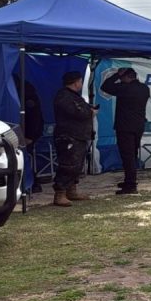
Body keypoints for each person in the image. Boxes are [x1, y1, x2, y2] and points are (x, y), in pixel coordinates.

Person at [100, 67, 151, 194]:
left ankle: (131, 185)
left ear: (127, 77)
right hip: (138, 126)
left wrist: (117, 75)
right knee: (132, 155)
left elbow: (105, 86)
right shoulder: (144, 88)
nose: (120, 81)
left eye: (122, 78)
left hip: (125, 127)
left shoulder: (125, 89)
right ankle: (129, 180)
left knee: (127, 157)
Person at [52, 71, 97, 207]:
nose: (81, 84)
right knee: (68, 164)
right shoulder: (64, 96)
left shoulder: (73, 96)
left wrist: (89, 109)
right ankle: (60, 193)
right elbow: (76, 112)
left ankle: (71, 190)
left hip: (78, 135)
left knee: (76, 165)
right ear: (76, 82)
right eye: (81, 81)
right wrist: (90, 112)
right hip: (68, 136)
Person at [15, 76, 46, 192]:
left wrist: (30, 136)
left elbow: (34, 116)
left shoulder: (27, 95)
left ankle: (31, 184)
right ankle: (30, 184)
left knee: (24, 157)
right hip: (28, 132)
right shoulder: (27, 92)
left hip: (28, 133)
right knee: (24, 157)